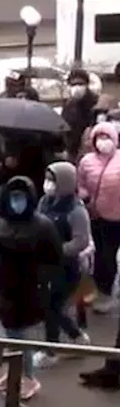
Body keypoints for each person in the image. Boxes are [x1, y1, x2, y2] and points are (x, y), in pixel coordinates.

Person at [0, 176, 63, 400]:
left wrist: (41, 279)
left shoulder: (42, 226)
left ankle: (28, 377)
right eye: (13, 196)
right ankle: (14, 371)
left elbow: (54, 258)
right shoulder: (1, 221)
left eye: (20, 196)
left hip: (28, 287)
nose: (16, 201)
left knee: (20, 336)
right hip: (4, 285)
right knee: (10, 332)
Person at [35, 162, 93, 368]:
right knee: (50, 306)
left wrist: (56, 250)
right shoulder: (45, 201)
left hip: (67, 268)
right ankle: (76, 337)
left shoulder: (76, 211)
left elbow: (81, 241)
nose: (48, 184)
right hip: (46, 265)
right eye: (47, 179)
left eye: (53, 180)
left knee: (52, 307)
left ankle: (52, 349)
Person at [76, 121, 121, 314]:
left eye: (107, 137)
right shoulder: (87, 161)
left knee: (111, 257)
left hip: (118, 218)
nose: (103, 141)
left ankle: (109, 293)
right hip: (96, 216)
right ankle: (100, 291)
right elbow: (81, 182)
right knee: (99, 256)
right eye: (99, 137)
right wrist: (84, 194)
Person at [61, 71, 99, 162]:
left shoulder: (95, 103)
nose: (77, 87)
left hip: (89, 150)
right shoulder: (68, 104)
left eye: (80, 84)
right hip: (71, 149)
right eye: (73, 84)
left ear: (86, 84)